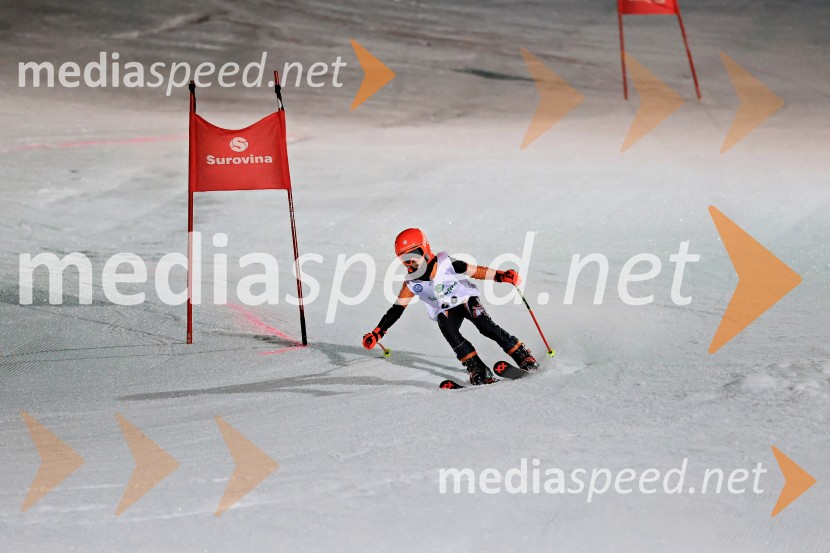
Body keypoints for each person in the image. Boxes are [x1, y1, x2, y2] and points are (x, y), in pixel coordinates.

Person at [362, 228, 539, 385]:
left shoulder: (445, 263)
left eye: (414, 253)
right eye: (405, 259)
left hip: (465, 300)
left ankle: (522, 355)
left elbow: (474, 271)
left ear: (425, 248)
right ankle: (476, 367)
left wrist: (500, 276)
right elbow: (397, 309)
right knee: (447, 327)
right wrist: (378, 332)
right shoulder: (411, 282)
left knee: (485, 326)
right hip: (445, 309)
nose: (411, 262)